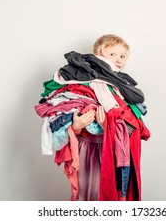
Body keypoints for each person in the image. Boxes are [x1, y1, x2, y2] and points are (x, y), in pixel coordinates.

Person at [34, 34, 150, 201]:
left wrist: (109, 125)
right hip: (89, 150)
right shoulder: (79, 84)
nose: (118, 59)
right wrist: (77, 124)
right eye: (112, 54)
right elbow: (63, 118)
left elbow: (132, 123)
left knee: (114, 195)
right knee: (90, 193)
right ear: (98, 55)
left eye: (122, 56)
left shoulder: (122, 89)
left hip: (113, 150)